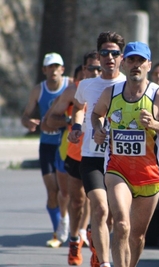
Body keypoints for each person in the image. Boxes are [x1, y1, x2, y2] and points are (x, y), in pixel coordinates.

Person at [91, 41, 159, 267]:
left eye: (141, 61)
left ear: (149, 65)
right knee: (122, 224)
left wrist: (155, 124)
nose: (136, 65)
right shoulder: (110, 93)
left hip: (149, 175)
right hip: (117, 170)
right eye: (131, 60)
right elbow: (96, 114)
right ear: (123, 64)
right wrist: (98, 129)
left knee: (137, 236)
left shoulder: (158, 96)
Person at [68, 31, 126, 267]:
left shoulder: (127, 84)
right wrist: (77, 126)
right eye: (105, 52)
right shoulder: (87, 84)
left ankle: (95, 241)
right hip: (92, 156)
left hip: (120, 158)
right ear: (99, 56)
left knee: (112, 216)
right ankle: (104, 263)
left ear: (121, 57)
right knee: (100, 208)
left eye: (114, 53)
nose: (109, 57)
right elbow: (79, 107)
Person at [47, 50, 101, 265]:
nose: (96, 72)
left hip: (103, 154)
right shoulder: (73, 90)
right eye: (91, 68)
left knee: (100, 204)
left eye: (99, 67)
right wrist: (70, 121)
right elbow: (52, 119)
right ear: (83, 69)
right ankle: (74, 239)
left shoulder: (114, 87)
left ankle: (96, 245)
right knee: (78, 200)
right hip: (77, 153)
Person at [21, 52, 73, 248]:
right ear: (44, 70)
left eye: (56, 66)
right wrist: (29, 123)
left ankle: (70, 223)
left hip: (67, 145)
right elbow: (25, 116)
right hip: (47, 145)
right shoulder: (38, 90)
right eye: (49, 67)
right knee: (53, 191)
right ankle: (58, 231)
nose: (53, 70)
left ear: (62, 69)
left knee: (67, 191)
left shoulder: (71, 85)